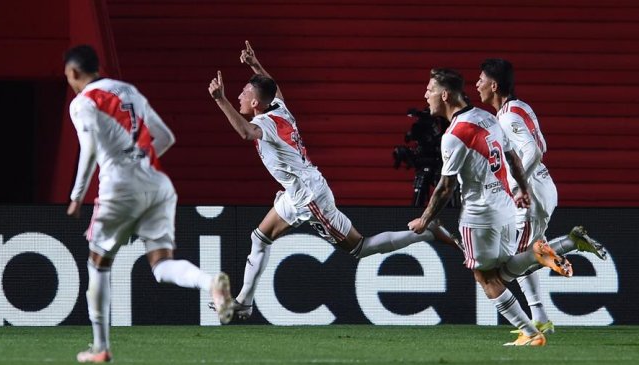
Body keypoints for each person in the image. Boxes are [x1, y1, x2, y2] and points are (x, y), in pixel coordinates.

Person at [208, 41, 458, 320]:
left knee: (359, 248)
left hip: (310, 197)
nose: (239, 95)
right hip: (296, 191)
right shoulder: (278, 109)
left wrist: (220, 99)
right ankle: (244, 302)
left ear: (255, 103)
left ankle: (426, 233)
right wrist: (255, 65)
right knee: (260, 238)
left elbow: (245, 133)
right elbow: (275, 90)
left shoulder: (265, 123)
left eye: (243, 93)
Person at [64, 45, 233, 363]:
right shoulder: (129, 90)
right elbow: (165, 137)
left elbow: (88, 149)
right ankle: (210, 282)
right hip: (157, 183)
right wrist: (138, 162)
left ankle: (100, 348)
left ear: (73, 73)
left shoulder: (83, 102)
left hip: (119, 187)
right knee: (160, 265)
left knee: (98, 264)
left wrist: (76, 197)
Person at [407, 68, 573, 346]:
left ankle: (531, 333)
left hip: (480, 214)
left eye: (430, 89)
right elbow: (514, 158)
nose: (426, 95)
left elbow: (446, 188)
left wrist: (424, 220)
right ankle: (541, 258)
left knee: (485, 277)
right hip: (507, 208)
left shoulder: (455, 134)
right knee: (506, 266)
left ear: (445, 95)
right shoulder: (487, 118)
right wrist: (521, 191)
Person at [476, 58, 608, 334]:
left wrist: (519, 185)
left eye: (481, 80)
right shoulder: (518, 109)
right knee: (527, 253)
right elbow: (541, 143)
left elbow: (535, 151)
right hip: (540, 190)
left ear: (495, 85)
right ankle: (540, 317)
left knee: (508, 268)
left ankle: (571, 242)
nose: (477, 85)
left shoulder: (509, 116)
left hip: (531, 195)